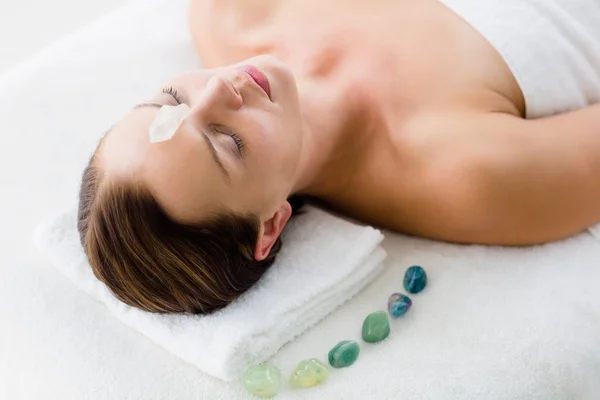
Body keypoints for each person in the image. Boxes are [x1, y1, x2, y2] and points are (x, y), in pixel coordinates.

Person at [77, 0, 600, 314]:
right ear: (269, 227)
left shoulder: (233, 11)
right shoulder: (465, 176)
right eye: (227, 143)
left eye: (170, 100)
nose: (218, 89)